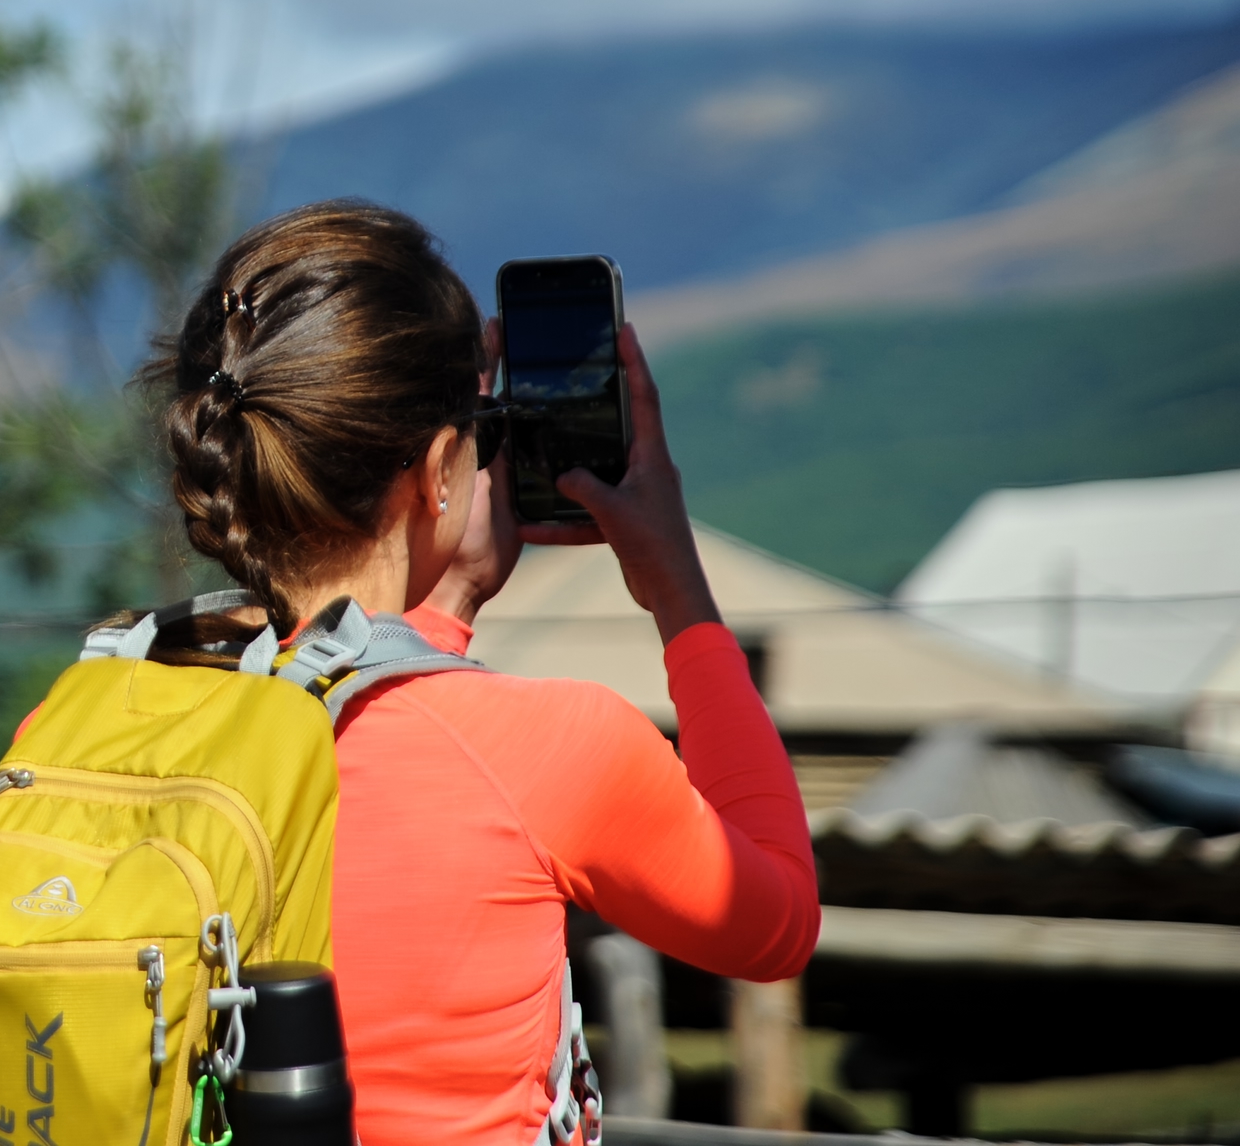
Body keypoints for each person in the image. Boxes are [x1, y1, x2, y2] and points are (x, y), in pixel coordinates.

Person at [147, 199, 818, 1146]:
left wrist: (442, 595)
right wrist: (680, 591)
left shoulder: (105, 712)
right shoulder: (549, 748)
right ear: (437, 472)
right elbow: (778, 920)